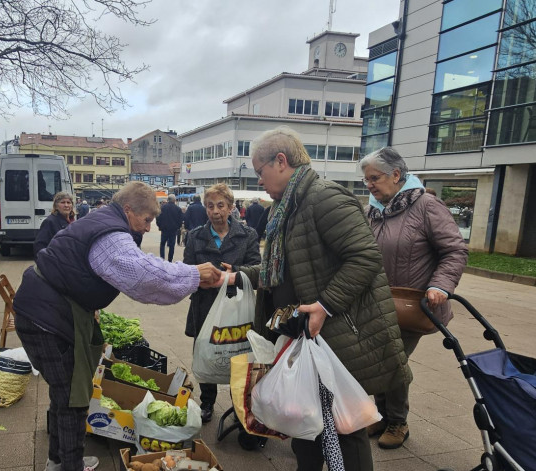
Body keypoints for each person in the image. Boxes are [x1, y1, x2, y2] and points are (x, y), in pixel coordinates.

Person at [224, 127, 411, 471]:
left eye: (259, 170)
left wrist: (325, 305)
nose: (258, 179)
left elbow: (365, 257)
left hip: (334, 334)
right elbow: (282, 267)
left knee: (343, 424)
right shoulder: (283, 206)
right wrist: (235, 276)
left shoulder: (324, 197)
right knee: (305, 415)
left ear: (280, 161)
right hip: (300, 333)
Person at [12, 181, 223, 471]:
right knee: (74, 398)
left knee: (64, 393)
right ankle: (68, 465)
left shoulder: (104, 220)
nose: (149, 228)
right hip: (49, 316)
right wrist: (193, 274)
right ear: (128, 210)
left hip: (44, 308)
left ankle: (59, 460)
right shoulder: (111, 233)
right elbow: (144, 274)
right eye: (147, 220)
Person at [361, 147, 468, 449]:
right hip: (378, 304)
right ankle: (382, 415)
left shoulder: (426, 206)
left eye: (374, 178)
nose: (369, 184)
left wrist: (441, 285)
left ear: (396, 175)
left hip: (413, 304)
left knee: (392, 362)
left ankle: (397, 421)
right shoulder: (375, 210)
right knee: (378, 361)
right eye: (366, 179)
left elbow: (455, 250)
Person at [183, 183, 261, 423]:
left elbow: (258, 268)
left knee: (237, 352)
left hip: (236, 306)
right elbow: (187, 271)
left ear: (230, 207)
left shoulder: (247, 235)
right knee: (206, 352)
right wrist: (198, 279)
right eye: (210, 206)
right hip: (204, 305)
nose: (215, 211)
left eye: (220, 206)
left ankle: (240, 402)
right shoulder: (195, 236)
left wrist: (235, 271)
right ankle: (207, 401)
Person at [156, 195, 184, 262]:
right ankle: (170, 260)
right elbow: (180, 220)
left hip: (164, 229)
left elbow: (158, 218)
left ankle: (162, 259)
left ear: (168, 200)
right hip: (173, 230)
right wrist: (178, 227)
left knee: (162, 244)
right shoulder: (178, 209)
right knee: (172, 246)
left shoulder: (162, 208)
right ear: (174, 200)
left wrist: (160, 226)